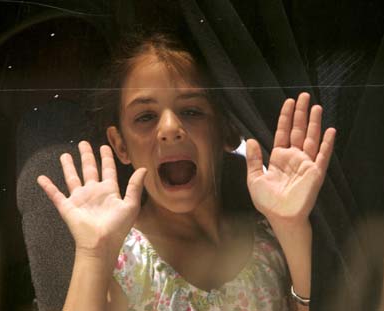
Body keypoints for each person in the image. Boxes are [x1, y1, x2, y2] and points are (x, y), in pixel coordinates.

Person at [36, 33, 336, 311]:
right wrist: (93, 252)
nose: (169, 129)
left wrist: (291, 226)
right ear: (120, 145)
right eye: (146, 117)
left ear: (227, 130)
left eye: (191, 111)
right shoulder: (120, 260)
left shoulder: (270, 242)